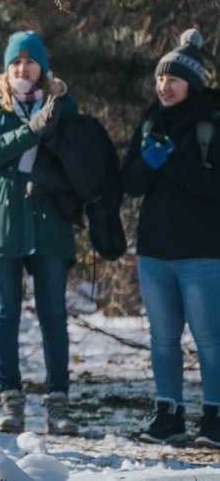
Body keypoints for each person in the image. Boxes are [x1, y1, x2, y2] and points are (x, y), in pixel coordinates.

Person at [0, 30, 80, 436]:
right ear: (6, 67)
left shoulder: (61, 104)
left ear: (43, 66)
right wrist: (31, 130)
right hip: (1, 223)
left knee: (53, 315)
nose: (22, 68)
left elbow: (79, 158)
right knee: (4, 315)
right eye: (15, 61)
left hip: (50, 222)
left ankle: (58, 403)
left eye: (30, 61)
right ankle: (11, 400)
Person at [120, 28, 220, 448]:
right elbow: (130, 183)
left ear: (191, 84)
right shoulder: (149, 122)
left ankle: (213, 418)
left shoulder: (210, 124)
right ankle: (169, 414)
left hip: (202, 251)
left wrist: (171, 162)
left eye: (173, 80)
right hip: (154, 252)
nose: (164, 86)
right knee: (162, 338)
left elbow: (213, 187)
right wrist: (148, 161)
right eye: (160, 78)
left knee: (210, 338)